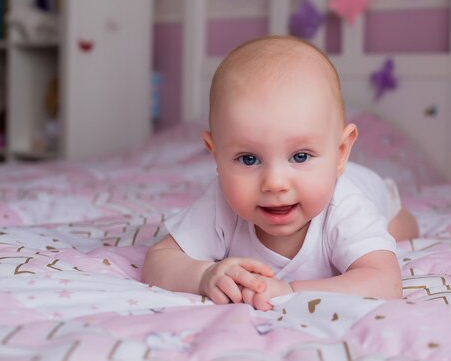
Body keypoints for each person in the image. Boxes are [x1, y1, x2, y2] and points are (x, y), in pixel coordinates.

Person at [141, 35, 419, 311]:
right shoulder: (221, 202)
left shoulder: (347, 207)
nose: (274, 183)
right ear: (215, 154)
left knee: (400, 230)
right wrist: (202, 276)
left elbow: (385, 283)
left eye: (300, 156)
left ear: (341, 152)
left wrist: (291, 290)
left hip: (371, 188)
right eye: (248, 159)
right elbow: (159, 259)